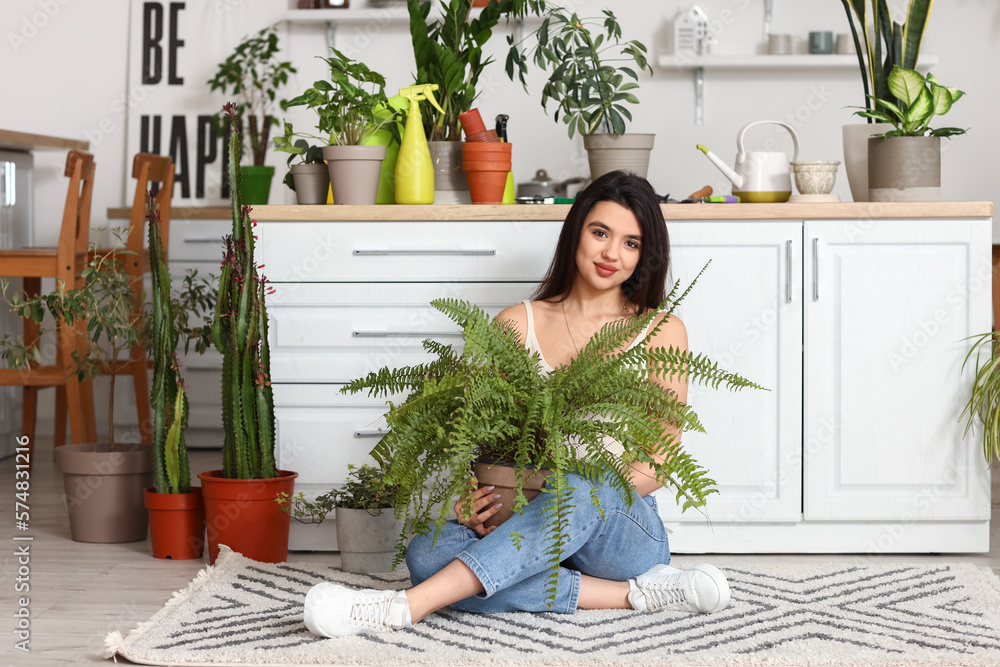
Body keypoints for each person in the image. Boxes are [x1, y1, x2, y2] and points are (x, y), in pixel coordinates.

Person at [303, 170, 731, 637]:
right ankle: (635, 595)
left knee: (584, 487)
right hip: (522, 515)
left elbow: (661, 459)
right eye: (601, 232)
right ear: (576, 233)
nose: (612, 253)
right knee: (426, 553)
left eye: (631, 243)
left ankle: (401, 608)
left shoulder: (663, 331)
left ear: (644, 256)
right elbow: (481, 439)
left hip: (619, 532)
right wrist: (472, 495)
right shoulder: (515, 325)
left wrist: (568, 495)